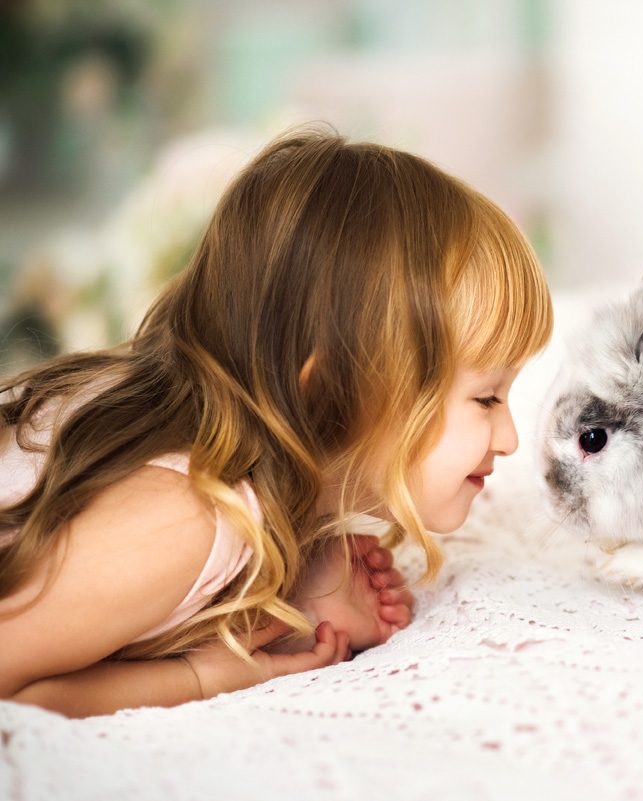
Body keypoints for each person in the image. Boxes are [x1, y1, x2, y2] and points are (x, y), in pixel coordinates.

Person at [0, 128, 553, 717]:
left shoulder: (262, 488)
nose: (511, 439)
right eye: (487, 399)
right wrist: (199, 675)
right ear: (335, 393)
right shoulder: (182, 519)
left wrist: (297, 602)